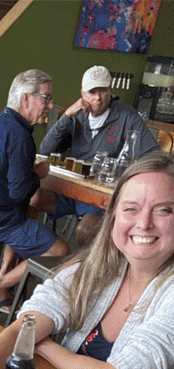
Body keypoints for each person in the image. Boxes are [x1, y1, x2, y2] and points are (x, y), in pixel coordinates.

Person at [0, 151, 174, 369]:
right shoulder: (99, 267)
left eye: (164, 210)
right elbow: (29, 323)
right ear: (113, 216)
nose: (144, 223)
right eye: (131, 208)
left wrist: (43, 346)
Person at [0, 69, 69, 304]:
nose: (51, 106)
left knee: (29, 210)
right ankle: (2, 283)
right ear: (25, 99)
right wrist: (39, 174)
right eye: (46, 98)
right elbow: (19, 191)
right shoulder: (21, 136)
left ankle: (3, 277)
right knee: (61, 252)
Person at [37, 65, 160, 246]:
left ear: (110, 90)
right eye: (92, 91)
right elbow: (45, 149)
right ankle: (41, 254)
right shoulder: (76, 117)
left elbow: (153, 156)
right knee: (28, 198)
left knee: (85, 230)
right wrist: (68, 115)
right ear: (82, 93)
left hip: (98, 197)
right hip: (69, 189)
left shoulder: (127, 116)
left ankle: (85, 270)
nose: (98, 97)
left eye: (103, 90)